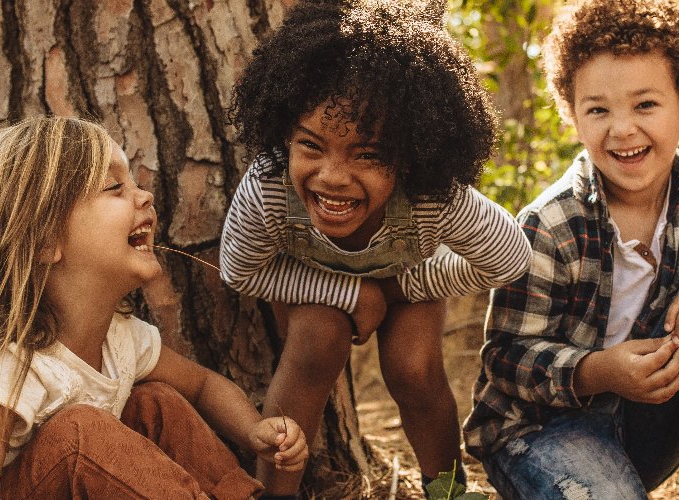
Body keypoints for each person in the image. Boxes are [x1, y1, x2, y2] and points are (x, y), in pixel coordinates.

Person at [462, 1, 679, 498]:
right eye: (598, 109)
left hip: (650, 425)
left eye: (645, 105)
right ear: (572, 117)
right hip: (541, 432)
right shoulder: (552, 223)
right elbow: (505, 357)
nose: (622, 129)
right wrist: (600, 371)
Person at [0, 116, 307, 499]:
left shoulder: (119, 338)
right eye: (115, 187)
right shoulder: (0, 356)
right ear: (44, 239)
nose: (144, 196)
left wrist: (254, 431)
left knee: (156, 403)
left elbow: (203, 386)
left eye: (134, 182)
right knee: (80, 433)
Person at [218, 2, 528, 497]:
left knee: (414, 370)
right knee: (316, 341)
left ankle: (446, 490)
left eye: (368, 154)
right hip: (314, 287)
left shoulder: (432, 196)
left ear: (410, 155)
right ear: (284, 135)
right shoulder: (269, 188)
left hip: (407, 281)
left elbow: (509, 256)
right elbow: (241, 271)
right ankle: (274, 494)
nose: (332, 176)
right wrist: (350, 293)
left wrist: (403, 283)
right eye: (311, 146)